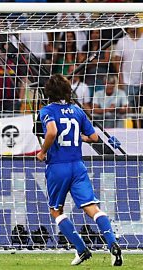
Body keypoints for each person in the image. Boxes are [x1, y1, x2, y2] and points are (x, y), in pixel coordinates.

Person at [36, 74, 123, 266]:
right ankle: (112, 244)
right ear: (68, 91)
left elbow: (51, 131)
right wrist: (77, 137)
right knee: (92, 208)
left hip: (58, 167)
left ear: (48, 93)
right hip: (78, 166)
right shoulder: (77, 111)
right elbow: (93, 137)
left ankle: (81, 249)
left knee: (56, 210)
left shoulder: (46, 110)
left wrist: (42, 151)